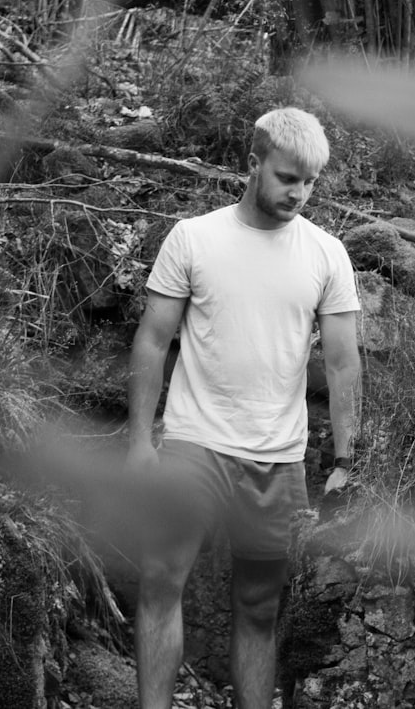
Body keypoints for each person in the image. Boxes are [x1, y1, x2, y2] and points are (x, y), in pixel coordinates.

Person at [126, 107, 361, 709]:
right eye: (287, 177)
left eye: (309, 182)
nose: (298, 193)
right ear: (253, 164)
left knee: (259, 609)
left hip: (277, 458)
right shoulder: (194, 237)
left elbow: (341, 361)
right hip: (193, 444)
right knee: (159, 582)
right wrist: (138, 444)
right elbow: (153, 340)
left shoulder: (326, 254)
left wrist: (344, 454)